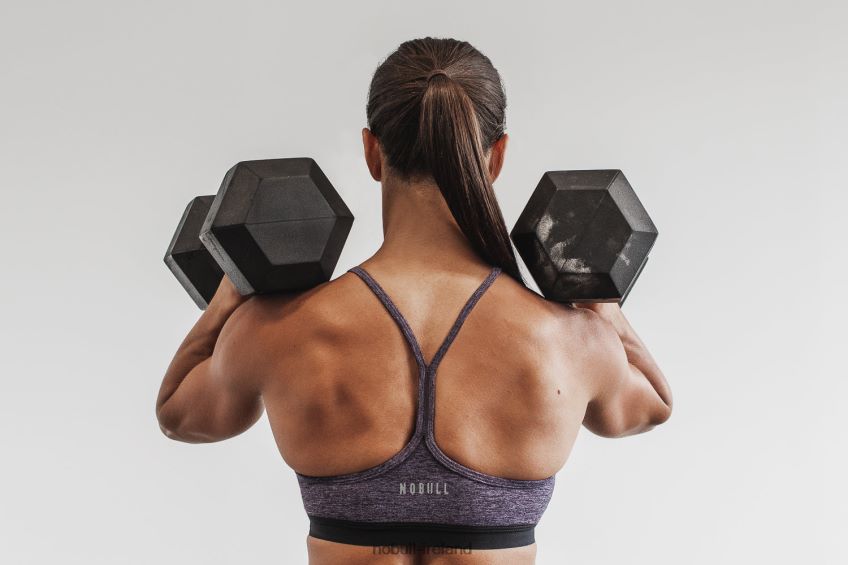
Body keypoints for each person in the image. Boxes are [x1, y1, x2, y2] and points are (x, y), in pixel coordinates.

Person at [155, 37, 672, 565]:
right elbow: (651, 407)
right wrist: (597, 296)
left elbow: (180, 415)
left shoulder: (278, 329)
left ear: (371, 152)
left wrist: (234, 288)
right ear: (496, 157)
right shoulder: (573, 342)